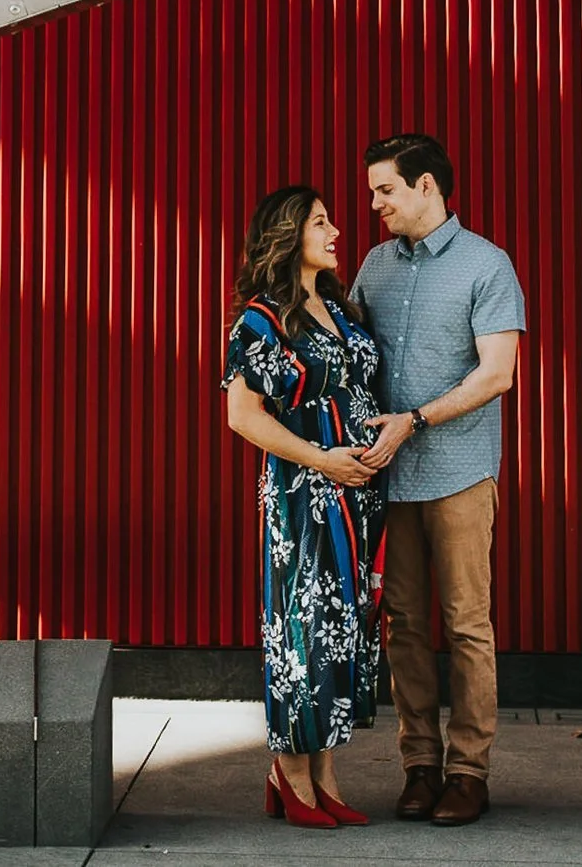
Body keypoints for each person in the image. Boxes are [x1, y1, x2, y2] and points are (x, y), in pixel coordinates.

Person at [350, 133, 526, 827]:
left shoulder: (487, 264)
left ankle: (468, 772)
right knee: (405, 627)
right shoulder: (373, 264)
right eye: (371, 191)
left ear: (428, 187)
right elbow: (347, 341)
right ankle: (419, 766)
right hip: (389, 479)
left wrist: (414, 419)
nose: (374, 203)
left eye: (385, 189)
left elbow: (497, 373)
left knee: (468, 625)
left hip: (458, 473)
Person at [220, 185, 387, 830]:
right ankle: (291, 775)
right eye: (322, 222)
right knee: (301, 633)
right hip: (303, 498)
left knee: (343, 633)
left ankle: (323, 774)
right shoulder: (261, 320)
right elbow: (241, 416)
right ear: (290, 234)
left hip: (355, 495)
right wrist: (323, 460)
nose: (337, 231)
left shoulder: (340, 311)